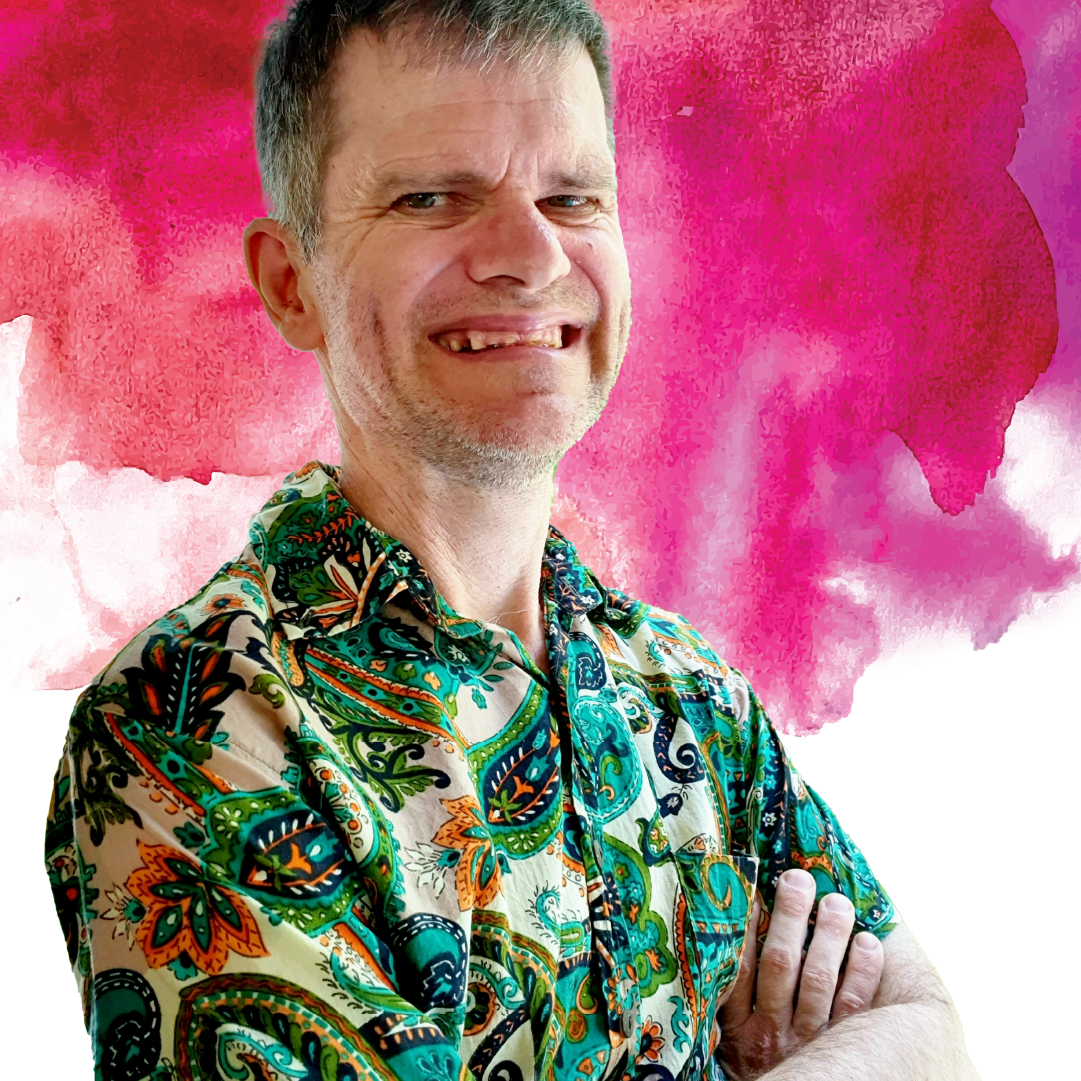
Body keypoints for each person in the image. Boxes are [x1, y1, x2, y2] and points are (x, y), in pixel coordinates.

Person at [44, 2, 978, 1079]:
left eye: (571, 197)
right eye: (432, 197)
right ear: (290, 282)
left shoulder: (694, 700)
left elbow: (935, 1028)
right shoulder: (196, 721)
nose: (530, 257)